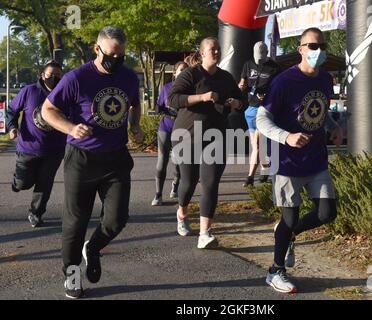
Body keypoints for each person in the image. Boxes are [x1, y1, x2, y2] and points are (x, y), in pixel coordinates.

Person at [42, 26, 144, 299]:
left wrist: (135, 125)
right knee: (75, 223)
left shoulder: (128, 76)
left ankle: (94, 246)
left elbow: (135, 104)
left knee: (117, 219)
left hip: (116, 158)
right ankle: (72, 276)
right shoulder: (77, 78)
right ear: (96, 49)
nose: (117, 60)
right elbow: (48, 110)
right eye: (112, 54)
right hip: (82, 159)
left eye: (121, 55)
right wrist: (70, 128)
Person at [256, 28, 343, 293]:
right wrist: (287, 137)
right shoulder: (284, 81)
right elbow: (262, 119)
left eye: (322, 46)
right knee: (289, 217)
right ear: (301, 49)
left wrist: (333, 126)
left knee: (327, 213)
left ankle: (289, 234)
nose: (319, 52)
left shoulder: (326, 79)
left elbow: (319, 111)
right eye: (313, 47)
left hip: (316, 158)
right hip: (287, 161)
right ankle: (275, 271)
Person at [168, 37, 243, 245]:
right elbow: (172, 99)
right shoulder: (190, 74)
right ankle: (182, 213)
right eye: (212, 49)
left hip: (216, 137)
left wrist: (237, 102)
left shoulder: (226, 78)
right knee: (188, 182)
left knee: (210, 184)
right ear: (202, 53)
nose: (216, 52)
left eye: (219, 49)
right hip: (187, 136)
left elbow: (241, 101)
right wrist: (201, 97)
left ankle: (205, 233)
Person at [6, 60, 65, 228]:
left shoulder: (64, 95)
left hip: (54, 150)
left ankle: (36, 213)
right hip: (28, 148)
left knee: (45, 183)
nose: (54, 78)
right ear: (42, 75)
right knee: (24, 183)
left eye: (58, 76)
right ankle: (18, 182)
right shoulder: (29, 91)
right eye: (50, 75)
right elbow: (11, 110)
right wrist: (12, 127)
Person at [239, 41, 280, 187]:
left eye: (262, 57)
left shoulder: (274, 68)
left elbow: (278, 89)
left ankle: (250, 177)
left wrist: (268, 95)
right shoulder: (248, 64)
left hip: (265, 109)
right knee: (256, 145)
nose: (259, 60)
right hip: (250, 109)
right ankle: (264, 171)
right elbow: (242, 81)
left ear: (267, 53)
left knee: (258, 142)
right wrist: (241, 85)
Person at [151, 61, 188, 206]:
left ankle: (175, 186)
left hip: (182, 129)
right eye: (180, 70)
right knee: (162, 159)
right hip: (166, 126)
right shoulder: (166, 88)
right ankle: (158, 194)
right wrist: (158, 109)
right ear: (174, 73)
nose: (183, 72)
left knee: (178, 161)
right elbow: (160, 106)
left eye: (186, 70)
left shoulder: (190, 90)